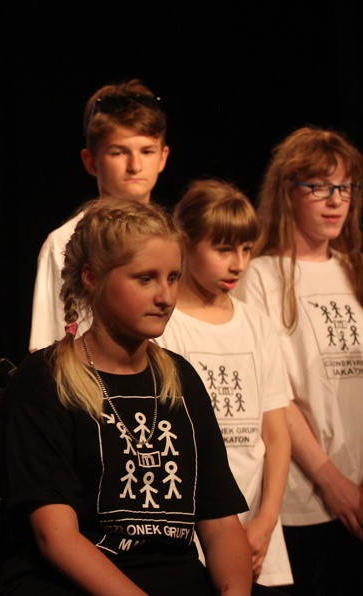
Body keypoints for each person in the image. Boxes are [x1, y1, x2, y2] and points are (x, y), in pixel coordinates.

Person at [0, 198, 252, 594]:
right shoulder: (44, 381)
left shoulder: (180, 379)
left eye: (173, 277)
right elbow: (56, 537)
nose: (166, 297)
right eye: (145, 278)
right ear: (92, 277)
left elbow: (220, 524)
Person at [234, 127, 363, 595]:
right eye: (319, 186)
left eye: (345, 187)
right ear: (288, 193)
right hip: (308, 500)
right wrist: (332, 481)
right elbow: (275, 396)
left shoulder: (354, 268)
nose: (335, 200)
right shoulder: (260, 277)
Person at [156, 180, 293, 587]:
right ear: (186, 242)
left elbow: (276, 433)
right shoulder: (167, 326)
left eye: (247, 249)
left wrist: (266, 520)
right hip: (195, 535)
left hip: (260, 535)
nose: (238, 264)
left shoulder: (256, 323)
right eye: (223, 249)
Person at [29, 79, 169, 352]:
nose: (135, 166)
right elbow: (48, 347)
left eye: (147, 151)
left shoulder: (176, 241)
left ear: (163, 157)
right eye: (118, 152)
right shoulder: (65, 243)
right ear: (90, 161)